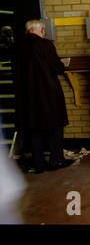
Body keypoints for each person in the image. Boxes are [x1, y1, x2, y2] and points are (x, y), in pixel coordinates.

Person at [15, 20, 73, 173]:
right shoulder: (45, 45)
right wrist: (63, 65)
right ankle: (56, 160)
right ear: (41, 30)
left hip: (27, 94)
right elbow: (57, 68)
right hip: (47, 92)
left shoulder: (18, 47)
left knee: (34, 128)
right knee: (55, 127)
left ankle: (38, 164)